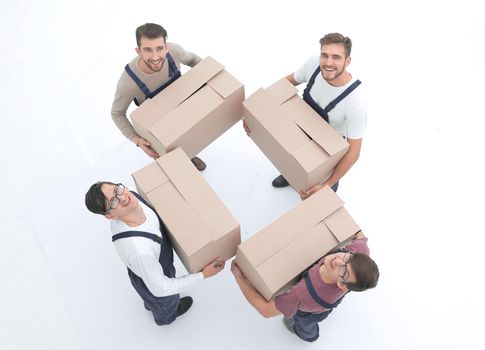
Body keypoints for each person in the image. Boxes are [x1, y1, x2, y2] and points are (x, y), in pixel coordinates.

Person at [243, 33, 367, 198]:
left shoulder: (355, 103)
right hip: (299, 129)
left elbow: (354, 152)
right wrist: (256, 113)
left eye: (336, 57)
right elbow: (288, 82)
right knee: (290, 161)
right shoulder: (314, 65)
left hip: (326, 151)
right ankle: (290, 175)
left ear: (348, 61)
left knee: (320, 193)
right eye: (325, 55)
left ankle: (327, 190)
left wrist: (327, 184)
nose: (328, 63)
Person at [85, 181, 225, 325]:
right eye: (113, 201)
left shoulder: (131, 194)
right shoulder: (140, 251)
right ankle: (165, 317)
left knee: (151, 294)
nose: (122, 197)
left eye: (116, 190)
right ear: (110, 216)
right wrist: (203, 275)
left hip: (149, 268)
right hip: (153, 277)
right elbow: (162, 288)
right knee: (164, 302)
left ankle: (150, 303)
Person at [231, 231, 378, 342]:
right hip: (327, 299)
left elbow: (266, 310)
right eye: (347, 259)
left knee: (303, 323)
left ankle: (308, 335)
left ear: (341, 285)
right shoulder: (360, 252)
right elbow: (359, 235)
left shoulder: (301, 295)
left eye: (344, 271)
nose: (338, 260)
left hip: (309, 312)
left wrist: (239, 276)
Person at [111, 23, 207, 170]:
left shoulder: (175, 52)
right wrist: (136, 139)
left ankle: (191, 146)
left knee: (193, 130)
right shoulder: (129, 82)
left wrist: (209, 79)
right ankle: (188, 156)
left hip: (182, 102)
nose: (155, 57)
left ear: (166, 47)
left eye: (160, 48)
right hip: (159, 121)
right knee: (174, 147)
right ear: (138, 51)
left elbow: (194, 60)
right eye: (147, 50)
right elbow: (117, 113)